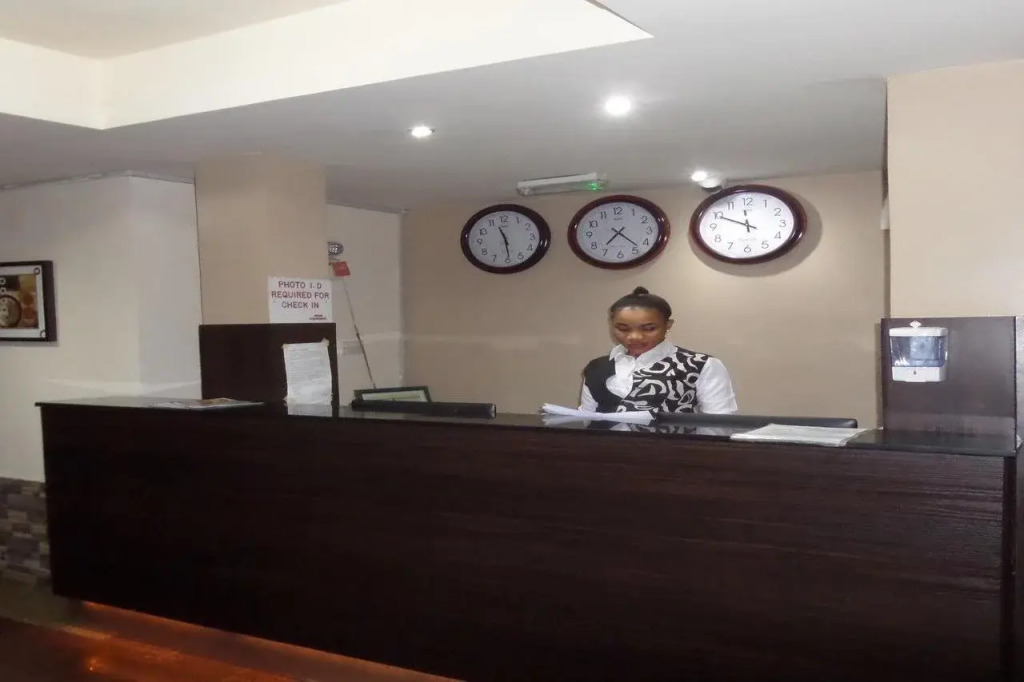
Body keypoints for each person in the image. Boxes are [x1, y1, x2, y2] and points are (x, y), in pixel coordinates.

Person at [579, 286, 737, 414]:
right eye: (623, 329)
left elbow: (718, 424)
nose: (635, 337)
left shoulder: (700, 365)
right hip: (604, 445)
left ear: (668, 325)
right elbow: (585, 418)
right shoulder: (597, 367)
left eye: (649, 328)